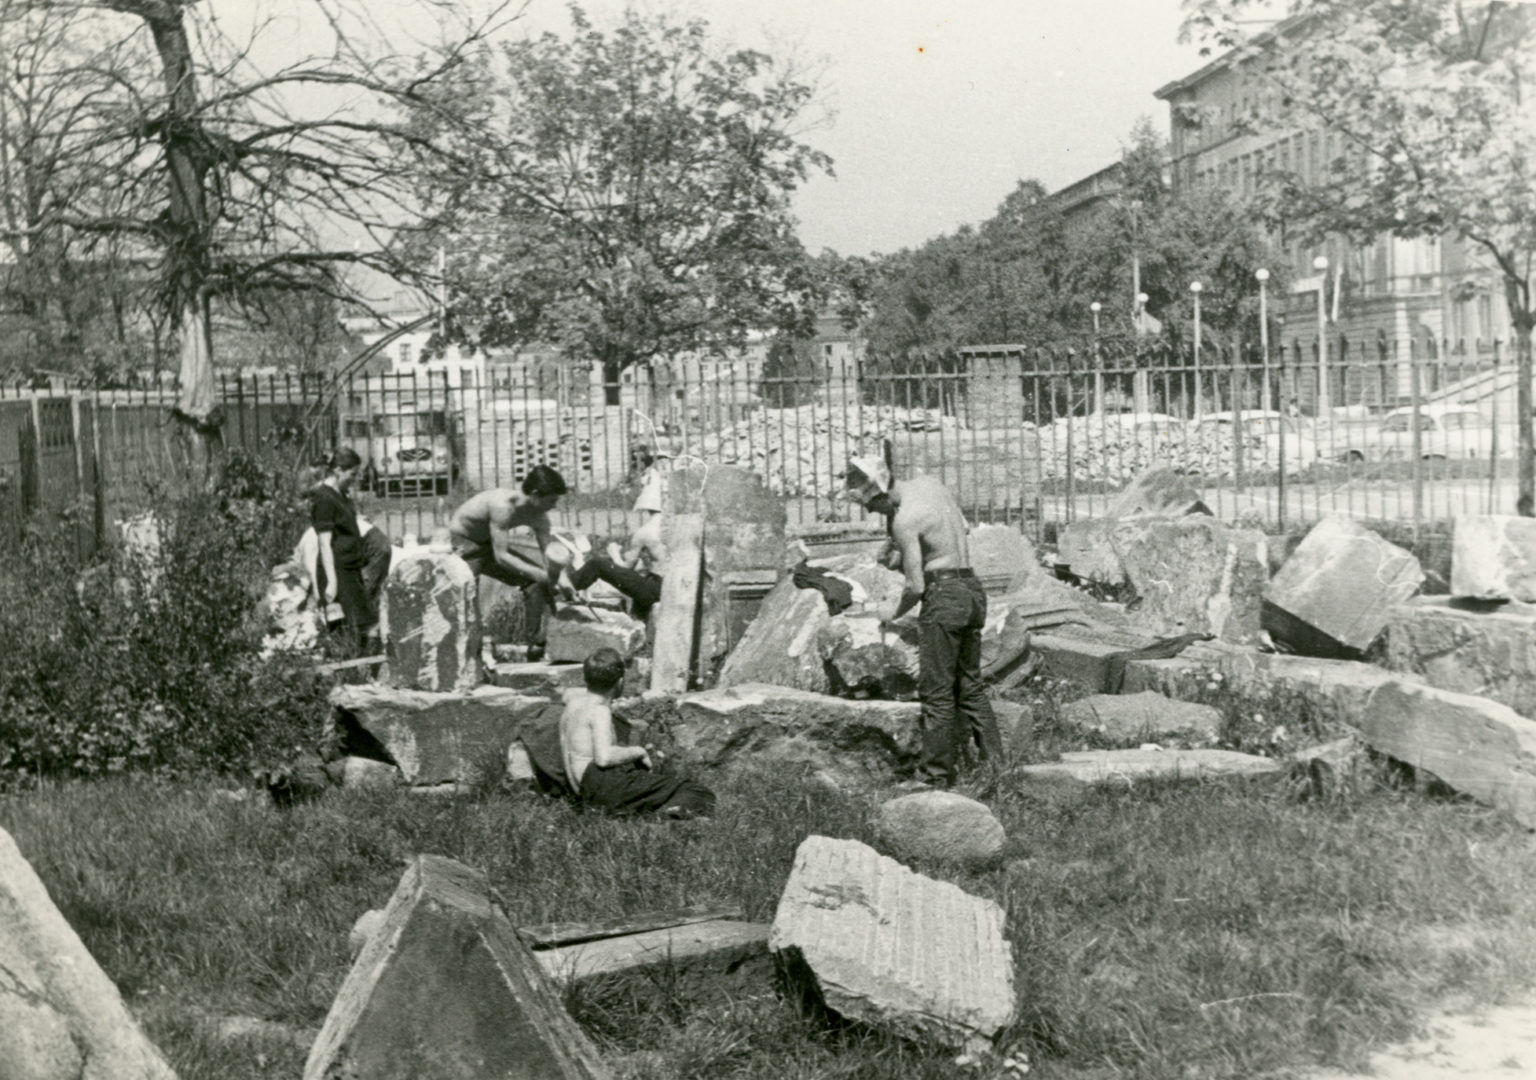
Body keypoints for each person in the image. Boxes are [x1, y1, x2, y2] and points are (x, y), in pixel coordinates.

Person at [843, 454, 1002, 787]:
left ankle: (934, 777)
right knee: (970, 686)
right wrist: (899, 551)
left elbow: (917, 586)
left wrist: (891, 612)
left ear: (882, 494)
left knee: (937, 693)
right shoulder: (930, 484)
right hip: (972, 590)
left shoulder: (904, 520)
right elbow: (958, 532)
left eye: (873, 507)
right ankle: (998, 769)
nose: (874, 514)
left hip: (943, 597)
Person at [557, 648, 715, 817]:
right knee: (698, 792)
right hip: (599, 786)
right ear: (620, 682)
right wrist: (639, 751)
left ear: (585, 678)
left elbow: (569, 695)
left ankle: (649, 809)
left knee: (649, 783)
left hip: (581, 791)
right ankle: (665, 814)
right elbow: (604, 758)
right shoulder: (599, 711)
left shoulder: (572, 704)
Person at [448, 465, 568, 659]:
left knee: (535, 583)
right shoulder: (501, 506)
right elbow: (501, 557)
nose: (555, 505)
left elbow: (550, 552)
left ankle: (538, 645)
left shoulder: (539, 516)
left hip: (489, 544)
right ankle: (464, 655)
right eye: (552, 500)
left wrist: (563, 579)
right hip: (465, 543)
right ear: (536, 495)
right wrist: (541, 574)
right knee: (465, 598)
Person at [565, 475, 669, 620]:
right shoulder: (673, 526)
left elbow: (626, 568)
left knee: (598, 564)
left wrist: (614, 554)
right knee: (641, 582)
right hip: (668, 586)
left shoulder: (644, 532)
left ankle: (563, 588)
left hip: (655, 590)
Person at [309, 448, 375, 652]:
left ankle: (357, 670)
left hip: (350, 568)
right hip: (337, 570)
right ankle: (346, 673)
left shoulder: (340, 494)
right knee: (344, 628)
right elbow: (324, 543)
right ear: (338, 470)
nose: (354, 480)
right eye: (352, 474)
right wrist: (331, 582)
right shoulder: (324, 499)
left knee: (360, 624)